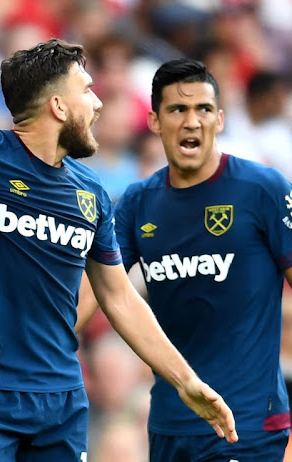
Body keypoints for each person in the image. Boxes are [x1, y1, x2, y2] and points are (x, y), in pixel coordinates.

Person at [0, 39, 237, 461]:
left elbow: (117, 294)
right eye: (87, 90)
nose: (97, 104)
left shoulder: (91, 191)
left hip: (62, 400)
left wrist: (185, 381)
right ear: (58, 105)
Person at [113, 59, 292, 461]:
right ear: (155, 121)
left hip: (245, 425)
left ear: (221, 119)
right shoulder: (137, 203)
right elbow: (99, 292)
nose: (192, 121)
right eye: (178, 109)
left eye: (204, 109)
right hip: (169, 424)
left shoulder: (263, 189)